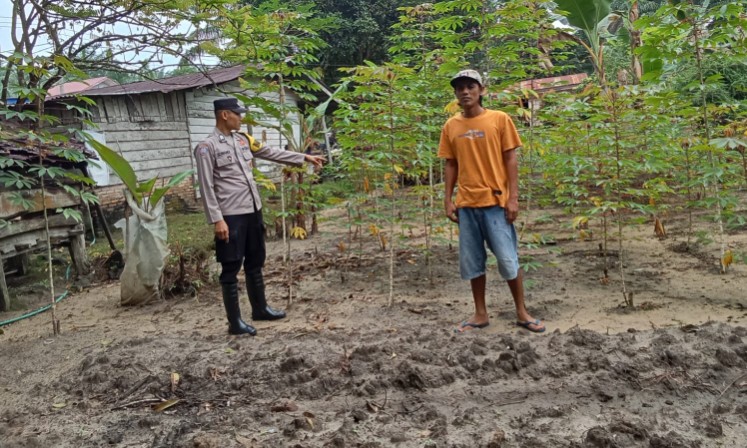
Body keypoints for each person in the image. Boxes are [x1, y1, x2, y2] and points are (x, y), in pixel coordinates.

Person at [194, 97, 324, 336]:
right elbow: (206, 186)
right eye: (237, 114)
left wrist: (303, 158)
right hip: (230, 216)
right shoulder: (207, 147)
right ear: (225, 115)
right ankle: (235, 323)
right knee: (231, 266)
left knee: (255, 261)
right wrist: (217, 219)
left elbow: (269, 152)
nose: (241, 118)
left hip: (253, 210)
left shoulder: (243, 140)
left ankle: (260, 309)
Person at [438, 69, 545, 334]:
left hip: (496, 203)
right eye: (460, 87)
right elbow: (450, 163)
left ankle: (521, 312)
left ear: (481, 90)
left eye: (470, 86)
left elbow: (510, 159)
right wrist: (448, 199)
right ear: (455, 93)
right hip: (466, 205)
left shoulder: (499, 120)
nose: (465, 91)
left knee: (508, 260)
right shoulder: (451, 126)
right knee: (473, 261)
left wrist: (513, 198)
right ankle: (480, 314)